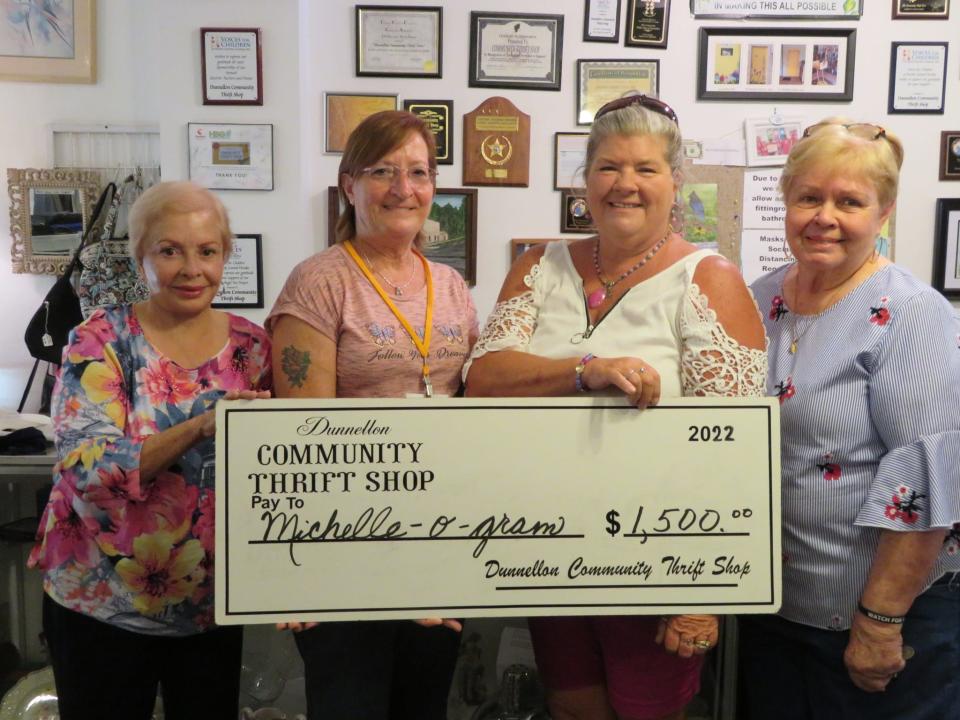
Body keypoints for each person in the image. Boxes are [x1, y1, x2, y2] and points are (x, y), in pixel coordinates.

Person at [465, 95, 767, 720]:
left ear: (675, 180)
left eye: (646, 168)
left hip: (659, 562)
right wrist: (585, 371)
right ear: (585, 179)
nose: (625, 184)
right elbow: (485, 380)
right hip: (546, 546)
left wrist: (703, 591)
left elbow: (734, 448)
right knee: (571, 709)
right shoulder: (537, 266)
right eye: (608, 167)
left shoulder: (709, 278)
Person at [27, 181, 272, 720]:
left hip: (208, 607)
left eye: (207, 251)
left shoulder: (253, 348)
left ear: (226, 255)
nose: (191, 268)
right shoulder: (99, 339)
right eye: (170, 250)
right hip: (99, 602)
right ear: (142, 257)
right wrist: (202, 425)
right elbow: (87, 470)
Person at [742, 119, 960, 719]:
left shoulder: (913, 312)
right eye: (809, 197)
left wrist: (880, 622)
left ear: (883, 214)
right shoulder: (756, 300)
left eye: (849, 202)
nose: (824, 216)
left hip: (878, 619)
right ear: (785, 201)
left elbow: (922, 478)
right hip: (772, 610)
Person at [266, 110, 478, 720]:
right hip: (343, 548)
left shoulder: (454, 286)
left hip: (436, 547)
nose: (402, 188)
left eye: (418, 172)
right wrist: (307, 573)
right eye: (383, 171)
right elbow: (302, 440)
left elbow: (473, 418)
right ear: (349, 184)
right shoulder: (319, 282)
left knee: (424, 707)